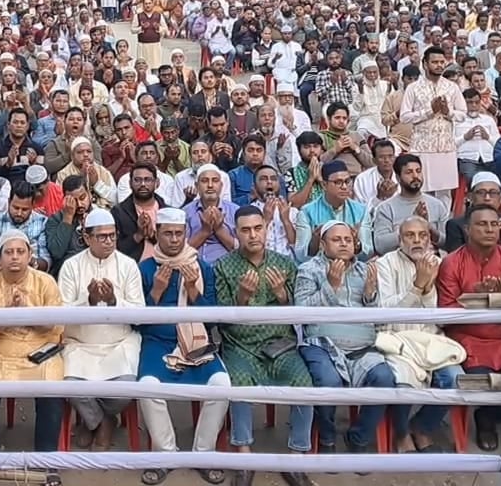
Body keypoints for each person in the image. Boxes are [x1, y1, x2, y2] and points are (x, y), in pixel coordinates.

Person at [215, 207, 312, 486]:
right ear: (236, 233)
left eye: (258, 228)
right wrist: (242, 297)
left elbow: (298, 315)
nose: (253, 235)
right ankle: (244, 457)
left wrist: (281, 294)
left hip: (280, 345)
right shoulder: (223, 266)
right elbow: (221, 320)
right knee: (239, 384)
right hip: (240, 346)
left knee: (304, 382)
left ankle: (296, 459)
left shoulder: (284, 264)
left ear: (266, 229)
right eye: (245, 230)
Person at [137, 207, 230, 486]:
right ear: (157, 234)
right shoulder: (145, 268)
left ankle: (203, 454)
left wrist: (192, 290)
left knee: (222, 385)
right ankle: (165, 455)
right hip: (158, 343)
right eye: (168, 234)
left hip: (197, 342)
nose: (174, 239)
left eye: (179, 233)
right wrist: (156, 291)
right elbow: (137, 323)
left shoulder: (202, 267)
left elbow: (211, 319)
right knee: (147, 387)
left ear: (186, 233)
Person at [296, 221, 398, 456]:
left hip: (363, 345)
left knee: (384, 379)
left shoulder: (365, 270)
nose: (343, 244)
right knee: (328, 382)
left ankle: (359, 437)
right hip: (322, 343)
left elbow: (378, 317)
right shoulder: (308, 269)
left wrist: (370, 294)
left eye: (348, 240)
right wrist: (331, 287)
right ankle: (327, 438)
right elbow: (301, 311)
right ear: (323, 245)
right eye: (336, 239)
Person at [0, 230, 65, 477]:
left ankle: (45, 463)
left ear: (30, 255)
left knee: (53, 392)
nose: (15, 257)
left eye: (20, 252)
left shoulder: (45, 282)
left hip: (40, 352)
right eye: (9, 252)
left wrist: (26, 311)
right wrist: (7, 315)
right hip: (0, 353)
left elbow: (55, 327)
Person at [438, 203, 501, 451]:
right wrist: (475, 299)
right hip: (469, 340)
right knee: (482, 381)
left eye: (494, 224)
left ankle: (491, 416)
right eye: (482, 224)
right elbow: (446, 313)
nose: (489, 229)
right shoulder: (452, 263)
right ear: (467, 229)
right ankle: (485, 421)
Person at [375, 216, 465, 453]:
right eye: (410, 235)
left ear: (429, 239)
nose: (417, 240)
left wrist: (427, 289)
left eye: (422, 235)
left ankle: (422, 427)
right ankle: (401, 433)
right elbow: (385, 312)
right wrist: (417, 286)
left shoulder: (440, 263)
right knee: (404, 380)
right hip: (396, 340)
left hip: (430, 340)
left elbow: (438, 315)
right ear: (400, 240)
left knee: (455, 379)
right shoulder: (385, 264)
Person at [57, 208, 143, 450]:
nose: (109, 241)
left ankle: (91, 420)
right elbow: (60, 311)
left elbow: (139, 312)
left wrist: (114, 302)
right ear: (87, 237)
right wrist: (88, 302)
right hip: (80, 344)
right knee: (71, 385)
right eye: (102, 236)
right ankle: (102, 422)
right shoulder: (71, 266)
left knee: (124, 389)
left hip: (119, 343)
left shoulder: (128, 265)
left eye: (112, 235)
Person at [400, 47, 465, 206]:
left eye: (442, 62)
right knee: (422, 191)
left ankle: (443, 222)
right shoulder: (413, 88)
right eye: (435, 62)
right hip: (422, 147)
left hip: (446, 147)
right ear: (425, 64)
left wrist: (448, 112)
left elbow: (463, 114)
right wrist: (430, 111)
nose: (439, 65)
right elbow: (404, 117)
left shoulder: (452, 87)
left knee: (445, 193)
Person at [368, 154, 449, 256]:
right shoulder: (386, 208)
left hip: (431, 259)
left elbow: (449, 243)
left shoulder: (437, 205)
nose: (415, 176)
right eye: (409, 172)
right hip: (398, 262)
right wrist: (411, 223)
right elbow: (381, 246)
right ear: (398, 178)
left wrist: (429, 228)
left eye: (418, 171)